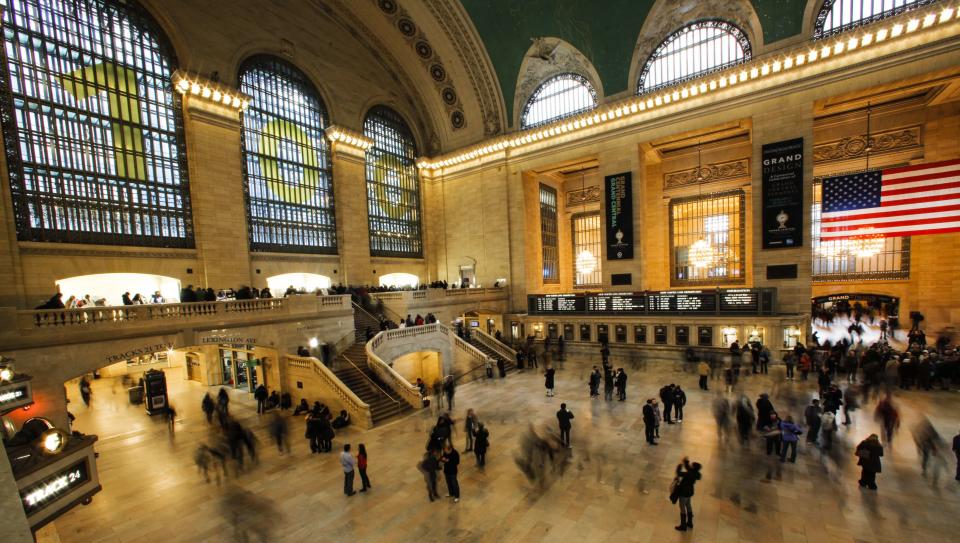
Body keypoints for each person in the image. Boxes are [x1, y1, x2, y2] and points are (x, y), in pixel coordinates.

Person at [672, 457, 702, 531]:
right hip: (689, 492)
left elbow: (679, 473)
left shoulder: (689, 474)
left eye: (692, 465)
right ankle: (690, 522)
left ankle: (683, 525)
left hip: (684, 492)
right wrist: (686, 462)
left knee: (682, 508)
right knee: (688, 505)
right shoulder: (696, 473)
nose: (690, 465)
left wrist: (679, 466)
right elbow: (689, 468)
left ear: (694, 467)